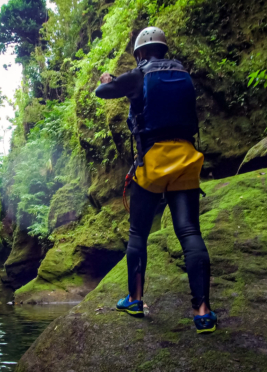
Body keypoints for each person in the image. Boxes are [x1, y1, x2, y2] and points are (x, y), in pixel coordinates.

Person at [94, 27, 217, 334]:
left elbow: (102, 93)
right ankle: (202, 312)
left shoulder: (138, 75)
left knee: (138, 233)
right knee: (189, 232)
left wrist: (108, 81)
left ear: (140, 53)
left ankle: (135, 299)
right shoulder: (183, 74)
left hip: (152, 162)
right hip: (187, 158)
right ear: (163, 49)